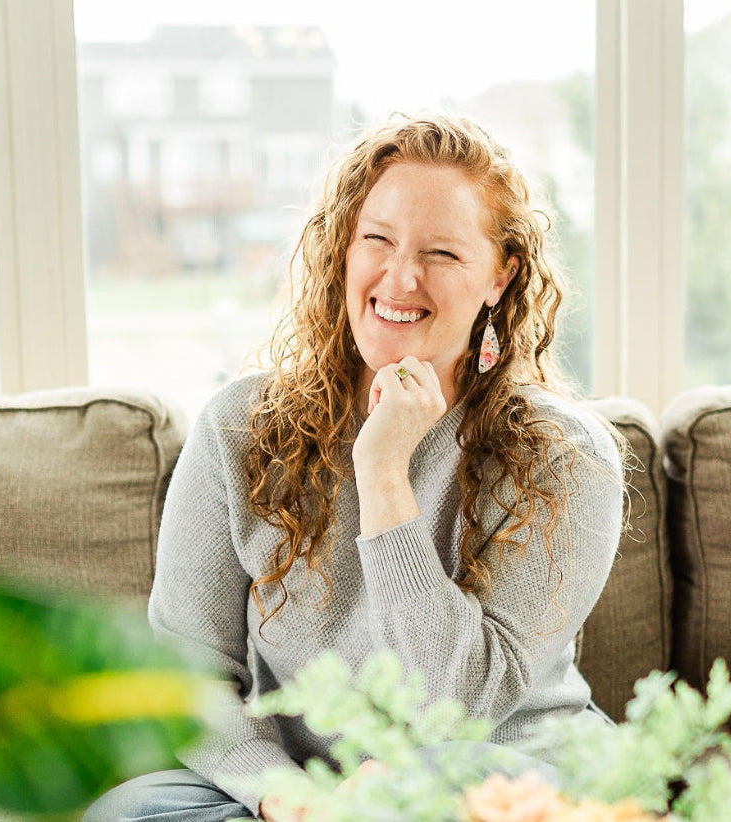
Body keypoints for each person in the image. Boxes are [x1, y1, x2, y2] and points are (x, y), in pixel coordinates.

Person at [83, 113, 624, 821]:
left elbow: (452, 706)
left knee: (425, 789)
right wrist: (290, 796)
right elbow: (191, 680)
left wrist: (384, 473)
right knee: (130, 811)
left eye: (442, 254)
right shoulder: (239, 426)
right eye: (378, 240)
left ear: (501, 277)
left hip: (493, 774)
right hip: (311, 788)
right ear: (344, 247)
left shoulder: (566, 457)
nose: (401, 277)